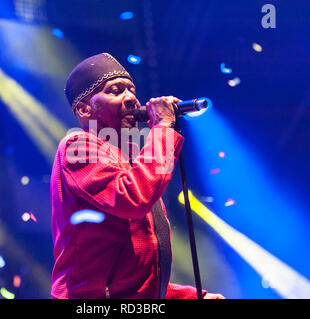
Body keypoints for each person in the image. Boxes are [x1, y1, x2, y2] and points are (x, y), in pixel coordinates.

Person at [50, 53, 224, 299]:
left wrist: (192, 297)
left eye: (132, 89)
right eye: (116, 90)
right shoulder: (77, 146)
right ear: (84, 109)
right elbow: (132, 198)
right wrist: (163, 128)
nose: (131, 97)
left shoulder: (131, 163)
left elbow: (135, 281)